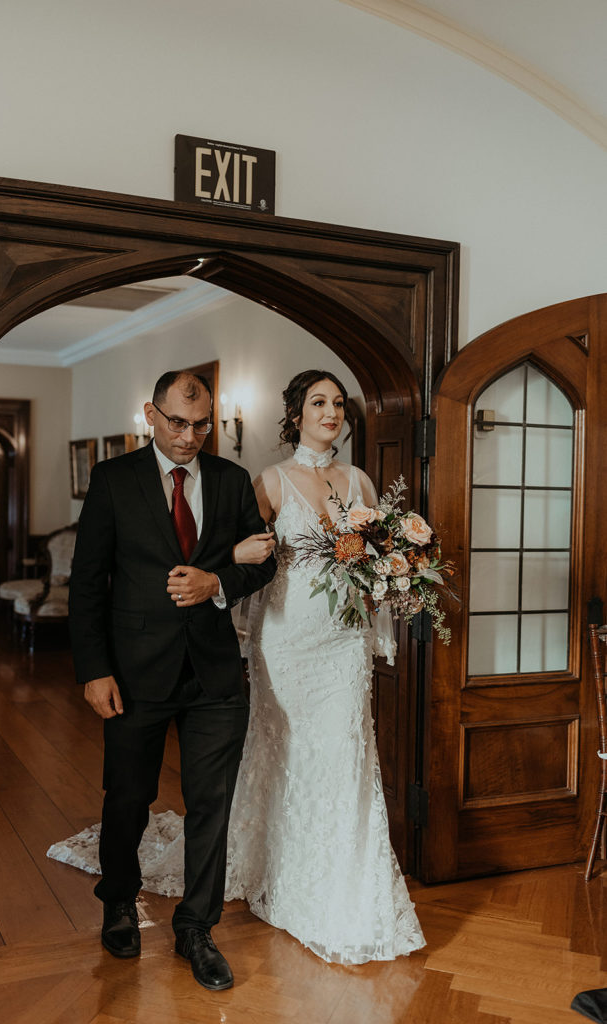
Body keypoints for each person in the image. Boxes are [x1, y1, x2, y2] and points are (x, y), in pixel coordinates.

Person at [68, 370, 276, 992]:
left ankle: (196, 928)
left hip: (214, 670)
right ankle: (119, 899)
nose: (190, 437)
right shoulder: (112, 481)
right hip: (133, 672)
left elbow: (262, 560)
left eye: (201, 424)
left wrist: (218, 583)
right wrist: (93, 669)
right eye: (178, 423)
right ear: (150, 415)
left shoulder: (234, 480)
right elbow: (87, 584)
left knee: (210, 805)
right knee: (127, 797)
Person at [224, 369, 424, 964]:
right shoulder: (269, 482)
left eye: (339, 403)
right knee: (283, 753)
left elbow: (380, 556)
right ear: (296, 414)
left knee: (344, 755)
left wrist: (396, 576)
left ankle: (343, 891)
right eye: (319, 402)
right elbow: (241, 557)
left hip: (342, 642)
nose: (332, 411)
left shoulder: (360, 480)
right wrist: (239, 553)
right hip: (285, 642)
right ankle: (275, 864)